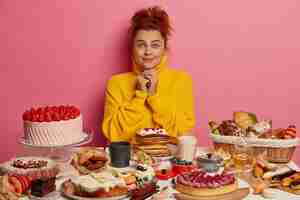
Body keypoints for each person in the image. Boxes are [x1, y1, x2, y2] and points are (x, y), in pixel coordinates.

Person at [102, 6, 196, 142]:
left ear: (164, 47)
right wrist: (139, 97)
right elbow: (113, 133)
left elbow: (184, 131)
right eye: (141, 45)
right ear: (132, 47)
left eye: (155, 45)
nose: (148, 52)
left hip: (169, 161)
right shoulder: (116, 83)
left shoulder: (182, 80)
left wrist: (153, 97)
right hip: (129, 161)